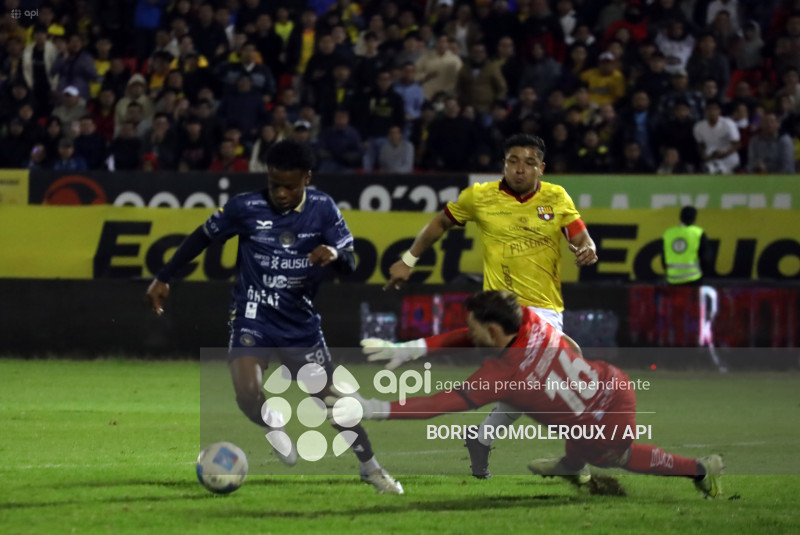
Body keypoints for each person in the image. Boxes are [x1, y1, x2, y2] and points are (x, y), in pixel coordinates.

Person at [146, 140, 402, 494]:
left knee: (330, 401)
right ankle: (271, 422)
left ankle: (370, 467)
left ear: (307, 179)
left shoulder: (323, 209)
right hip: (254, 312)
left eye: (290, 186)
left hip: (300, 320)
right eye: (275, 185)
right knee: (247, 391)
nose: (281, 193)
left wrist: (334, 255)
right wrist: (164, 276)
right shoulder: (244, 207)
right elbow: (201, 238)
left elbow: (352, 262)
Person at [335, 290, 723, 498]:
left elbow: (438, 405)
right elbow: (476, 336)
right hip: (611, 383)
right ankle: (573, 464)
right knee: (577, 430)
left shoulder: (502, 375)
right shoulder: (527, 318)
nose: (467, 331)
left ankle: (700, 469)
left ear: (492, 330)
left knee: (612, 456)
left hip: (604, 418)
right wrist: (417, 348)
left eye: (473, 325)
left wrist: (373, 408)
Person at [383, 133, 597, 478]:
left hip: (547, 307)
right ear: (504, 164)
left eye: (529, 162)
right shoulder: (480, 197)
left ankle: (482, 438)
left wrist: (588, 247)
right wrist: (408, 259)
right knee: (569, 360)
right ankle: (577, 460)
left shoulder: (556, 197)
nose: (520, 168)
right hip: (504, 310)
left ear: (541, 168)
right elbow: (440, 222)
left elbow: (579, 234)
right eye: (513, 160)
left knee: (525, 385)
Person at [662, 206, 710, 286]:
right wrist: (704, 274)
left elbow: (663, 257)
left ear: (680, 217)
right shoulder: (698, 233)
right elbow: (706, 257)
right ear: (694, 218)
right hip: (693, 278)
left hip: (673, 279)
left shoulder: (668, 233)